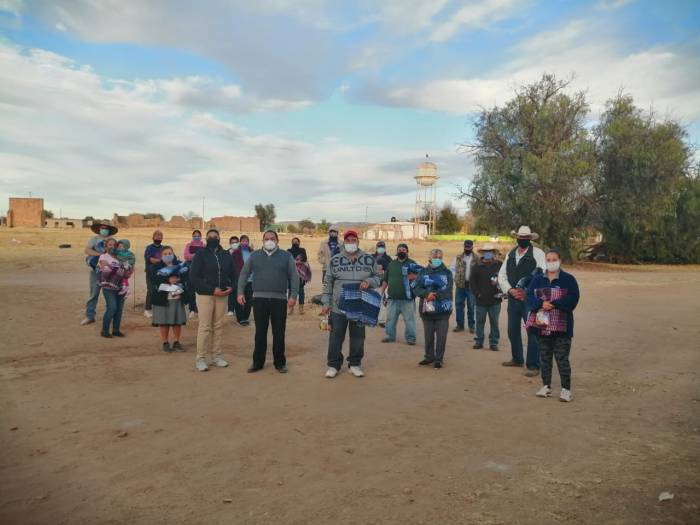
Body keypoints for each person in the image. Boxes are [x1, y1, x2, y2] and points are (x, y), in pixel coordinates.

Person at [321, 230, 381, 378]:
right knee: (336, 336)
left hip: (360, 306)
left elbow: (379, 277)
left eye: (353, 240)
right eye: (348, 240)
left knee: (358, 336)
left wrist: (369, 281)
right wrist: (325, 302)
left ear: (358, 242)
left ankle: (354, 364)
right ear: (344, 242)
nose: (351, 243)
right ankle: (333, 365)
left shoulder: (368, 259)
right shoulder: (335, 260)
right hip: (338, 306)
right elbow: (328, 283)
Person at [237, 230, 299, 373]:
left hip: (279, 300)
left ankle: (280, 363)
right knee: (260, 332)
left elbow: (294, 277)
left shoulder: (286, 256)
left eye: (272, 238)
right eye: (267, 239)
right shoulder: (254, 256)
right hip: (259, 299)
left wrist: (293, 296)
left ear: (277, 240)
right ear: (263, 240)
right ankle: (257, 362)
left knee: (279, 332)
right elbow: (244, 274)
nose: (269, 241)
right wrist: (240, 292)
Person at [526, 249, 580, 402]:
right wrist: (540, 303)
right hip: (542, 326)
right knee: (545, 357)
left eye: (554, 259)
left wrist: (554, 304)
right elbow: (529, 296)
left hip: (562, 328)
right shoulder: (537, 279)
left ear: (560, 260)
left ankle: (566, 389)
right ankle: (546, 386)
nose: (551, 262)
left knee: (562, 358)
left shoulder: (568, 279)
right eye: (548, 260)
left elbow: (574, 298)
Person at [498, 226, 547, 376]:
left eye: (526, 238)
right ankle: (517, 358)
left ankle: (533, 365)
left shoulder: (538, 254)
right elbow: (502, 275)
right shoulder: (511, 254)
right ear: (517, 238)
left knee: (533, 330)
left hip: (530, 299)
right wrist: (510, 290)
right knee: (512, 330)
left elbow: (542, 274)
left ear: (530, 239)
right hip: (513, 298)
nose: (522, 240)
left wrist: (526, 291)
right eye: (520, 237)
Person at [190, 229, 236, 372]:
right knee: (205, 327)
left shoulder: (226, 254)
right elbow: (194, 276)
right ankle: (201, 358)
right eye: (210, 237)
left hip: (222, 295)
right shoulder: (200, 254)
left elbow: (234, 274)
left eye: (215, 236)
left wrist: (232, 288)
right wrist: (211, 289)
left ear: (219, 238)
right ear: (206, 238)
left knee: (218, 326)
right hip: (205, 295)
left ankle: (216, 356)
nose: (213, 238)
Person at [413, 249, 454, 369]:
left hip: (443, 311)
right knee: (428, 335)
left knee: (441, 337)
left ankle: (439, 359)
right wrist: (426, 294)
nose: (437, 259)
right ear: (429, 258)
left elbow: (448, 289)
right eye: (434, 256)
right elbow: (416, 287)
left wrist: (434, 295)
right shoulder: (422, 272)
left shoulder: (447, 273)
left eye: (439, 257)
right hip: (427, 310)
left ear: (442, 258)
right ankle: (429, 357)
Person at [149, 246, 187, 353]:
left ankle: (176, 342)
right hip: (162, 298)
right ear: (161, 256)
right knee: (164, 322)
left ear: (173, 254)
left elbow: (187, 276)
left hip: (177, 297)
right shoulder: (155, 267)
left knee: (177, 322)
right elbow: (153, 279)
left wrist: (178, 279)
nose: (168, 255)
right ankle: (165, 342)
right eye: (165, 254)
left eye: (170, 253)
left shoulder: (179, 264)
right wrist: (168, 279)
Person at [380, 243, 417, 345]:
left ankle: (411, 338)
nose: (401, 251)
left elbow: (421, 277)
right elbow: (385, 279)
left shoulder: (412, 263)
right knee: (390, 319)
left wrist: (415, 276)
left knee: (409, 320)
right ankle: (390, 336)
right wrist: (382, 292)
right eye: (399, 249)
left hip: (407, 299)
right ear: (397, 251)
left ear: (407, 252)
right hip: (393, 298)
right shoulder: (391, 264)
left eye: (404, 250)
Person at [81, 221, 117, 325]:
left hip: (110, 272)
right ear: (99, 229)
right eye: (102, 227)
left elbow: (117, 253)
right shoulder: (94, 239)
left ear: (109, 229)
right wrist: (100, 255)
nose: (104, 229)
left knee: (110, 294)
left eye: (106, 228)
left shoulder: (113, 241)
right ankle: (90, 316)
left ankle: (110, 316)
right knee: (93, 294)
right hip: (95, 271)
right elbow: (87, 250)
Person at [469, 243, 502, 351]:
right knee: (480, 321)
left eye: (490, 251)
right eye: (486, 252)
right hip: (481, 300)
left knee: (494, 322)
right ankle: (479, 341)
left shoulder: (499, 265)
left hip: (495, 300)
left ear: (494, 253)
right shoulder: (476, 266)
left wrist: (502, 291)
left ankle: (494, 343)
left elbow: (504, 280)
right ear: (482, 253)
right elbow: (472, 282)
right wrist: (477, 294)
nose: (488, 253)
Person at [97, 238, 132, 338]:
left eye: (114, 245)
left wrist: (127, 271)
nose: (112, 247)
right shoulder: (103, 256)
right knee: (112, 308)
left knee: (119, 310)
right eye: (110, 245)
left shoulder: (120, 257)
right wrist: (118, 269)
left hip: (121, 286)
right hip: (108, 287)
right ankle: (104, 330)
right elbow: (104, 269)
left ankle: (116, 330)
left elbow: (127, 271)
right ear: (106, 246)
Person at [451, 239, 478, 334]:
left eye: (469, 247)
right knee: (459, 305)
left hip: (472, 286)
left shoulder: (477, 258)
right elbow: (452, 269)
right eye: (465, 247)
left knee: (471, 306)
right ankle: (460, 325)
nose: (467, 249)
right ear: (463, 247)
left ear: (472, 247)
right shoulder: (458, 257)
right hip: (460, 286)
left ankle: (472, 326)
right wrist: (455, 278)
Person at [231, 234, 254, 325]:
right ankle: (240, 318)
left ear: (248, 242)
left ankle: (245, 317)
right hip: (240, 280)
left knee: (249, 300)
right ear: (240, 242)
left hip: (251, 280)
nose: (245, 242)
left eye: (246, 241)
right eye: (243, 241)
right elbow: (233, 266)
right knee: (240, 299)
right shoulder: (236, 253)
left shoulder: (252, 252)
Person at [183, 229, 205, 319]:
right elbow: (186, 256)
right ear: (192, 236)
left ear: (200, 236)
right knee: (191, 290)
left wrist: (194, 256)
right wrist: (197, 255)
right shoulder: (188, 245)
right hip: (190, 269)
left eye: (198, 235)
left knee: (200, 291)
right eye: (195, 235)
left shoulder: (204, 245)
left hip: (201, 271)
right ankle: (192, 309)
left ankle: (200, 309)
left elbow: (205, 257)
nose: (196, 237)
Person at [143, 230, 164, 319]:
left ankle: (159, 308)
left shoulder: (163, 248)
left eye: (160, 236)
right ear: (153, 237)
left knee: (160, 290)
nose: (158, 237)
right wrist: (161, 261)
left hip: (161, 272)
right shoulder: (149, 248)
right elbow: (150, 259)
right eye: (157, 236)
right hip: (151, 272)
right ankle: (147, 309)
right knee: (151, 290)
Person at [287, 237, 310, 315]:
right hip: (291, 274)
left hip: (301, 275)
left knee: (301, 292)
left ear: (299, 243)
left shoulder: (302, 250)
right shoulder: (288, 251)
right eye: (294, 242)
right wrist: (297, 261)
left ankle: (301, 309)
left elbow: (304, 258)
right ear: (291, 243)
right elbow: (288, 260)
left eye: (296, 242)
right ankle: (291, 308)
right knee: (290, 291)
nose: (295, 243)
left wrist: (295, 261)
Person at [373, 241, 392, 327]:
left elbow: (391, 270)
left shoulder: (388, 258)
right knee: (372, 302)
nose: (381, 248)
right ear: (376, 248)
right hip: (373, 283)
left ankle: (382, 320)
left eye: (382, 247)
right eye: (379, 246)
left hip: (384, 284)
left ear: (385, 248)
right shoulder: (371, 257)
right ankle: (372, 318)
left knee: (383, 302)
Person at [227, 235, 240, 317]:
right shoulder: (226, 252)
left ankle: (238, 310)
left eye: (236, 242)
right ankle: (231, 309)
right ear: (230, 243)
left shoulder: (241, 252)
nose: (234, 244)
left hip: (239, 275)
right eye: (232, 242)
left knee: (239, 292)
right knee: (231, 292)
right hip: (230, 276)